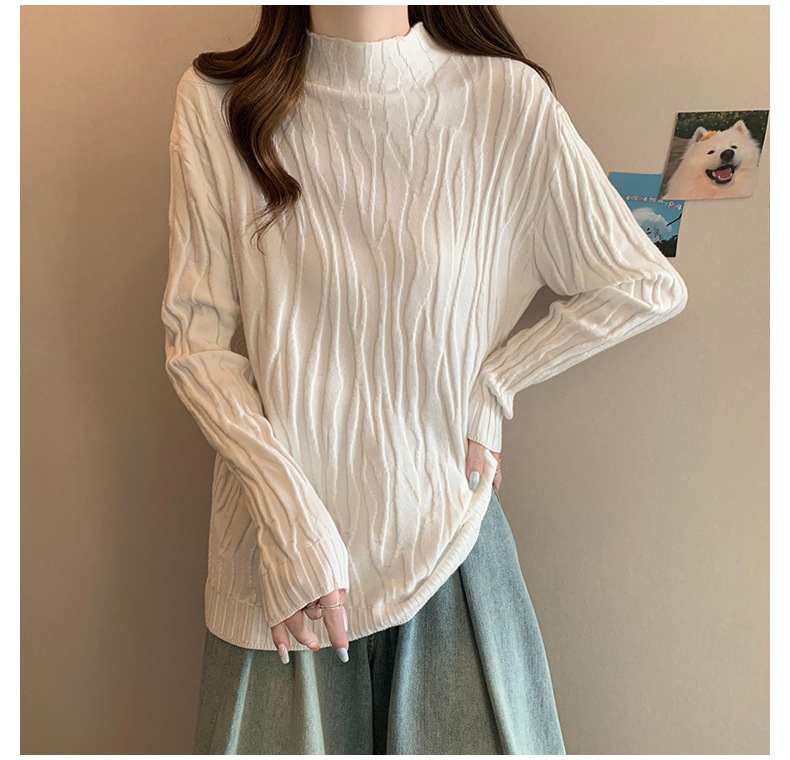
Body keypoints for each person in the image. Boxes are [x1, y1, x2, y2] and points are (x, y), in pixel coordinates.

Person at [160, 5, 688, 755]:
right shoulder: (218, 102)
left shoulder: (504, 99)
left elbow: (641, 282)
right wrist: (289, 517)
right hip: (281, 564)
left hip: (446, 541)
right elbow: (197, 342)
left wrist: (496, 385)